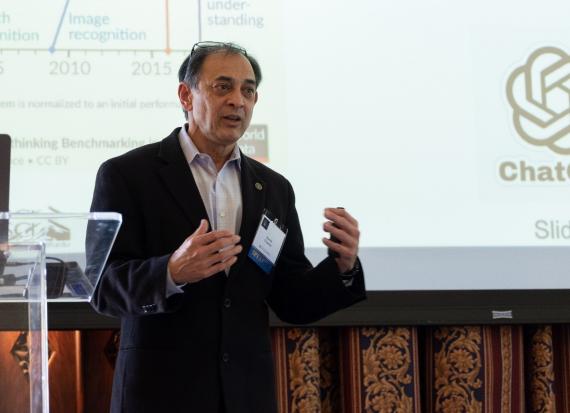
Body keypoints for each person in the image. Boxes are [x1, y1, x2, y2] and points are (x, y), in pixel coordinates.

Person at [90, 41, 366, 413]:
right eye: (223, 87)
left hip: (245, 397)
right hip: (159, 394)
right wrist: (171, 271)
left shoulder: (273, 188)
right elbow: (102, 286)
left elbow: (291, 298)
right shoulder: (127, 175)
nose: (239, 100)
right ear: (186, 95)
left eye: (248, 90)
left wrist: (343, 268)